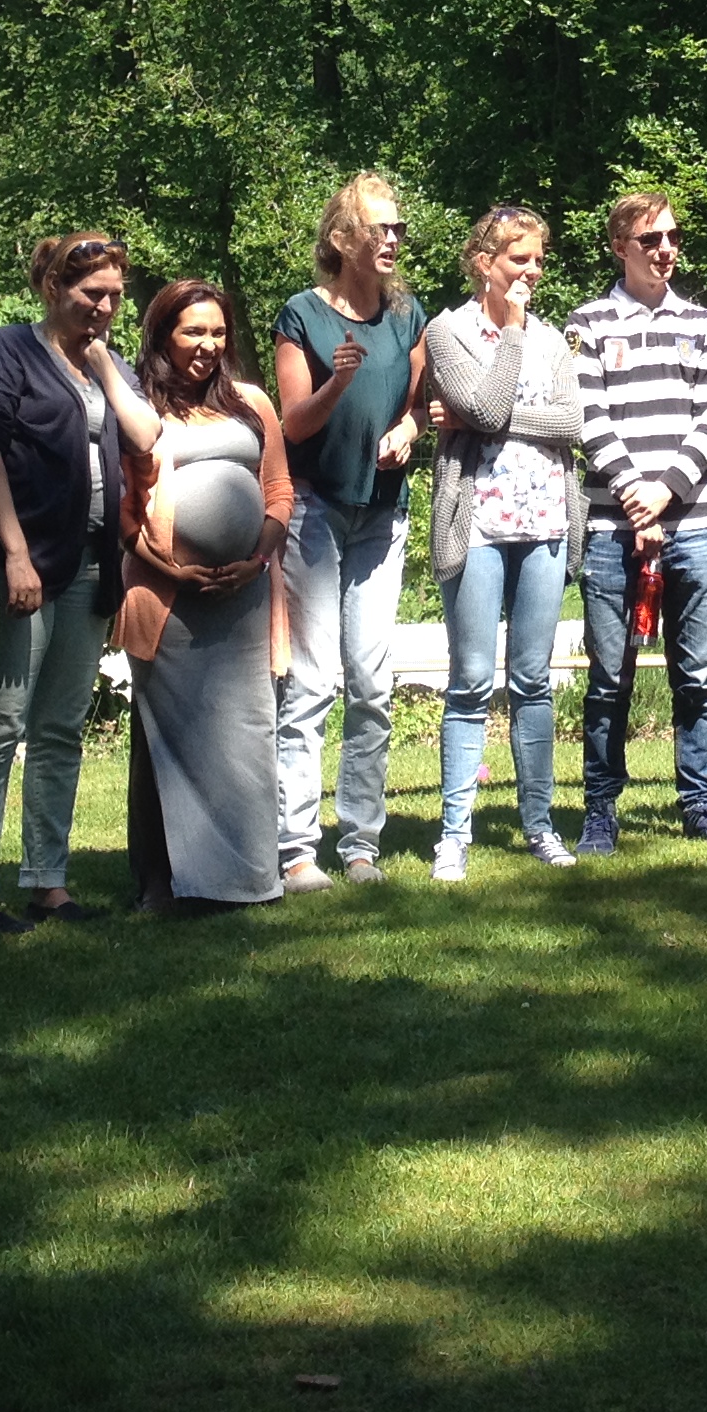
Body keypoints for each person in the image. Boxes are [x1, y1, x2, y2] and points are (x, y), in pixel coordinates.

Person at [0, 233, 152, 933]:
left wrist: (104, 366)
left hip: (89, 564)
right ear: (53, 288)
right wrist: (14, 553)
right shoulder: (8, 351)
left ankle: (47, 882)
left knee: (60, 727)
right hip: (10, 562)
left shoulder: (107, 362)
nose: (105, 308)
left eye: (115, 296)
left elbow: (145, 437)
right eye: (92, 294)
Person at [567, 193, 707, 855]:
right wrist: (632, 494)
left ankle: (700, 805)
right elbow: (588, 417)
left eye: (672, 236)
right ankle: (600, 811)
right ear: (620, 247)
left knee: (695, 678)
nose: (666, 249)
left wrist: (664, 492)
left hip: (693, 524)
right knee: (609, 679)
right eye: (650, 239)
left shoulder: (704, 324)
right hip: (610, 530)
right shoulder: (586, 323)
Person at [270, 175, 428, 889]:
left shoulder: (407, 315)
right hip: (316, 511)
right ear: (341, 240)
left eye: (398, 229)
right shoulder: (302, 315)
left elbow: (420, 405)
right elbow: (293, 424)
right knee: (311, 682)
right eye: (378, 229)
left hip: (381, 517)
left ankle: (360, 844)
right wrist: (336, 382)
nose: (392, 239)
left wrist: (408, 430)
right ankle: (297, 851)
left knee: (371, 683)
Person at [116, 281, 294, 911]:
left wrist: (255, 560)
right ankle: (162, 883)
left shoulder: (251, 403)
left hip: (244, 597)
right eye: (193, 331)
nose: (208, 344)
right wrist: (170, 569)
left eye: (218, 332)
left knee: (246, 735)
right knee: (165, 741)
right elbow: (124, 511)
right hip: (169, 599)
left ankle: (247, 880)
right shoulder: (139, 409)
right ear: (163, 334)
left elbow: (279, 491)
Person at [421, 206, 585, 879]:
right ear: (484, 262)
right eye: (519, 258)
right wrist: (510, 336)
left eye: (538, 259)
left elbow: (571, 422)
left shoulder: (554, 339)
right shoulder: (448, 331)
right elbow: (484, 406)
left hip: (546, 522)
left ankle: (539, 825)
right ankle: (454, 834)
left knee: (532, 682)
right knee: (468, 682)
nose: (532, 271)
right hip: (477, 526)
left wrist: (478, 418)